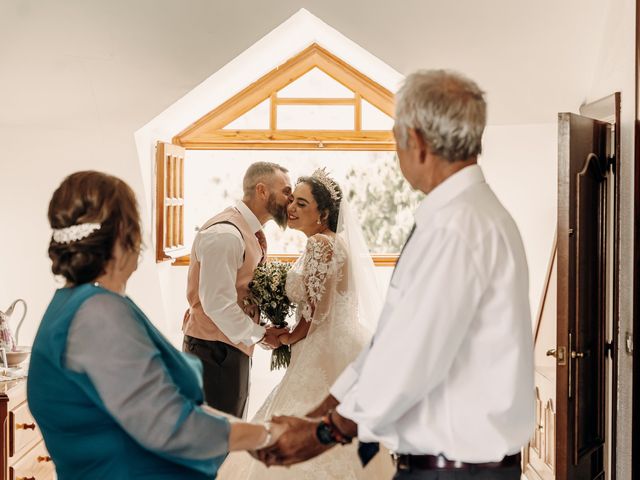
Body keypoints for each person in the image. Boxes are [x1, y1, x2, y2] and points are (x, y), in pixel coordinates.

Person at [257, 70, 535, 480]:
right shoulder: (468, 215)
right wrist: (317, 413)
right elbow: (391, 341)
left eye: (396, 134)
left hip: (454, 470)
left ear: (417, 140)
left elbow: (412, 355)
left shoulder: (456, 228)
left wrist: (323, 432)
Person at [27, 171, 286, 480]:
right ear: (125, 232)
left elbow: (156, 406)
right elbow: (171, 425)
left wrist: (255, 432)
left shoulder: (72, 304)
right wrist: (269, 435)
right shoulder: (98, 315)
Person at [217, 169, 394, 479]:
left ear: (323, 212)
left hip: (321, 348)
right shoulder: (334, 242)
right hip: (341, 344)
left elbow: (315, 314)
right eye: (292, 201)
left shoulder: (319, 246)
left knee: (301, 426)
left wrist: (285, 338)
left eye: (301, 203)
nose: (291, 209)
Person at [182, 162, 292, 418]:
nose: (290, 199)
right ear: (262, 190)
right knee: (216, 438)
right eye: (286, 191)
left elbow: (239, 291)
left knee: (228, 432)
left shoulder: (247, 232)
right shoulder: (226, 235)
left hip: (228, 349)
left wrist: (260, 330)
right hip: (213, 353)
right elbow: (218, 304)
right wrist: (260, 334)